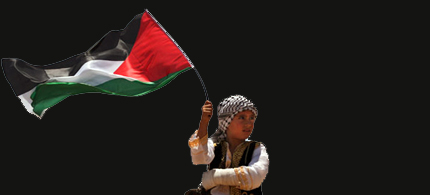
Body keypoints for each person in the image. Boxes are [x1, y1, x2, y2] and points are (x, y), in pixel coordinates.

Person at [185, 95, 269, 195]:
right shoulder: (215, 145)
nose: (249, 124)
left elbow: (255, 176)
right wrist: (204, 122)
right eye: (242, 117)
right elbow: (199, 158)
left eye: (251, 118)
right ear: (226, 122)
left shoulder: (257, 148)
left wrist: (213, 178)